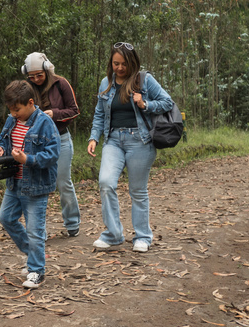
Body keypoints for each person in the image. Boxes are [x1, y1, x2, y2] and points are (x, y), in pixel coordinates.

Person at [86, 42, 174, 253]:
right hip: (113, 140)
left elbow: (167, 102)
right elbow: (99, 113)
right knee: (106, 182)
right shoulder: (106, 83)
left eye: (124, 64)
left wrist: (145, 104)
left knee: (137, 190)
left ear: (132, 63)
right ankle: (113, 234)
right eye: (115, 63)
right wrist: (94, 138)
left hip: (140, 141)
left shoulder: (144, 80)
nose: (119, 68)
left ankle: (142, 237)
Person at [0, 80, 60, 289]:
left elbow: (53, 154)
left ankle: (37, 270)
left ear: (30, 103)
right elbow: (3, 140)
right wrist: (0, 150)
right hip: (15, 182)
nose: (14, 114)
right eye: (11, 110)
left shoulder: (45, 123)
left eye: (17, 109)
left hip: (36, 185)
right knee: (5, 218)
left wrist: (28, 159)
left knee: (34, 229)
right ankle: (32, 254)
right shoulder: (11, 120)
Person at [22, 52, 81, 237]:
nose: (36, 79)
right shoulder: (26, 88)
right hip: (36, 142)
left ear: (47, 70)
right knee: (37, 186)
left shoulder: (60, 83)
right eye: (31, 76)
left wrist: (54, 114)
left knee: (63, 182)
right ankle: (39, 230)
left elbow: (74, 110)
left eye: (39, 75)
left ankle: (72, 223)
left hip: (61, 139)